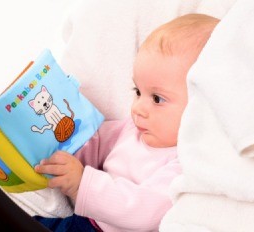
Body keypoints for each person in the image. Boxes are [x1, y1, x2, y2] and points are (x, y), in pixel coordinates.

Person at [33, 13, 219, 232]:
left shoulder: (183, 164)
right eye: (138, 91)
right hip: (84, 221)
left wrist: (82, 183)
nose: (138, 107)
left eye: (157, 99)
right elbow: (94, 142)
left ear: (202, 105)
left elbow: (142, 212)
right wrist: (64, 157)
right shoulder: (133, 129)